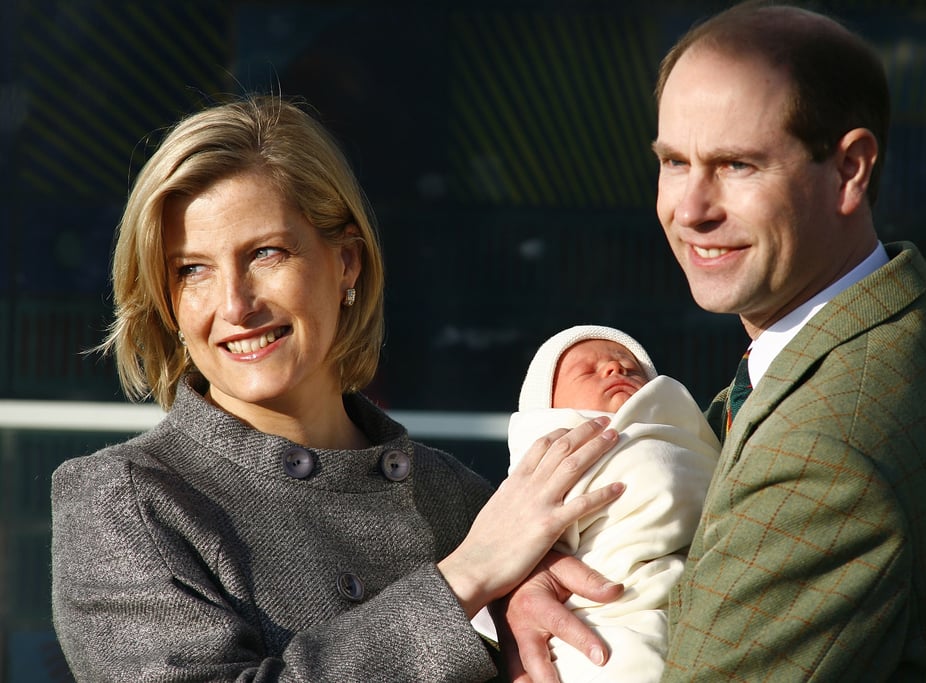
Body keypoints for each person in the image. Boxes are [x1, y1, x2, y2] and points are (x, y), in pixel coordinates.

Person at [502, 2, 926, 681]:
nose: (692, 209)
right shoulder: (885, 324)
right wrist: (538, 570)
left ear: (851, 169)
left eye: (736, 165)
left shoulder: (827, 447)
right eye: (674, 161)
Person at [49, 95, 626, 682]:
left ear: (346, 262)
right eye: (191, 270)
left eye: (266, 253)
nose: (235, 306)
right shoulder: (126, 503)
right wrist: (464, 581)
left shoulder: (464, 499)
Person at [507, 325, 720, 682]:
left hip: (693, 604)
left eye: (630, 368)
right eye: (588, 371)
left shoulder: (689, 440)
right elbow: (510, 544)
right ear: (548, 407)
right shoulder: (549, 466)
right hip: (606, 615)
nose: (615, 370)